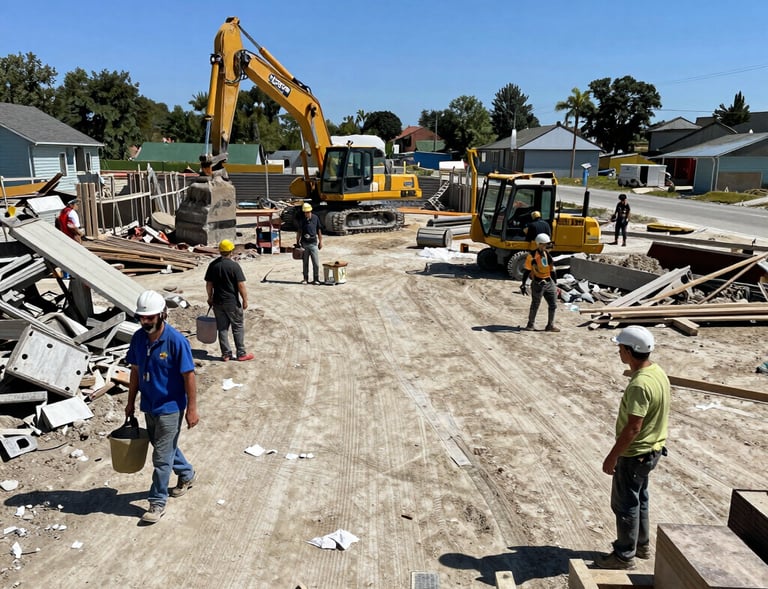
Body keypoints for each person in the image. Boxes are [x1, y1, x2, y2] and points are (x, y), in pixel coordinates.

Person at [596, 325, 670, 570]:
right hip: (652, 451)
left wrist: (612, 457)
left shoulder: (639, 385)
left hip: (635, 454)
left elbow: (633, 428)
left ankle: (623, 556)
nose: (619, 351)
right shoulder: (658, 373)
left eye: (620, 347)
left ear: (628, 351)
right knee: (640, 499)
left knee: (625, 504)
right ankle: (641, 545)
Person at [125, 290, 199, 525]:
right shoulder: (137, 338)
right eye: (142, 317)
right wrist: (130, 402)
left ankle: (157, 501)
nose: (145, 321)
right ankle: (187, 474)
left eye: (150, 317)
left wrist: (192, 409)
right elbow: (135, 371)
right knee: (163, 446)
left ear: (163, 315)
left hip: (171, 406)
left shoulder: (177, 341)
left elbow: (189, 375)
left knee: (160, 457)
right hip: (149, 404)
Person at [204, 239, 254, 362]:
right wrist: (245, 300)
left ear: (220, 251)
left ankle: (226, 354)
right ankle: (241, 353)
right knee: (237, 327)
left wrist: (210, 298)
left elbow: (209, 284)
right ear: (231, 251)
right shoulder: (234, 266)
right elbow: (241, 285)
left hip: (217, 302)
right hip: (231, 302)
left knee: (222, 328)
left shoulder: (213, 265)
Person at [519, 233, 560, 332]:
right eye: (545, 244)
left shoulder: (547, 254)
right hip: (538, 283)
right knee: (535, 304)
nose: (547, 246)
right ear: (539, 244)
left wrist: (555, 283)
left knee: (553, 305)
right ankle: (530, 325)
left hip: (548, 282)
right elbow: (527, 271)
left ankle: (550, 325)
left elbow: (551, 270)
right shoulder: (532, 256)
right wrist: (523, 284)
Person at [296, 202, 323, 284]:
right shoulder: (302, 220)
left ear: (310, 211)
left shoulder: (315, 218)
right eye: (304, 213)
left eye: (307, 213)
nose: (305, 214)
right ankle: (305, 278)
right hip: (304, 244)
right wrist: (297, 242)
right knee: (305, 263)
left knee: (316, 263)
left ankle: (316, 279)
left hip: (313, 244)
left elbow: (318, 230)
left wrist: (320, 242)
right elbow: (299, 231)